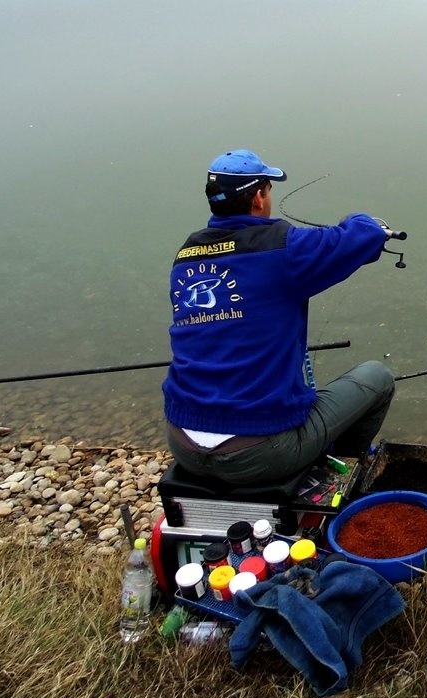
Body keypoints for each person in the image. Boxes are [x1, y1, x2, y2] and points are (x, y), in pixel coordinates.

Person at [162, 149, 395, 493]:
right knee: (377, 378)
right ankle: (341, 478)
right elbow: (362, 236)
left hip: (182, 441)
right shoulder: (284, 250)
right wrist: (368, 221)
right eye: (269, 189)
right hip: (260, 452)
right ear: (258, 197)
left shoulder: (185, 258)